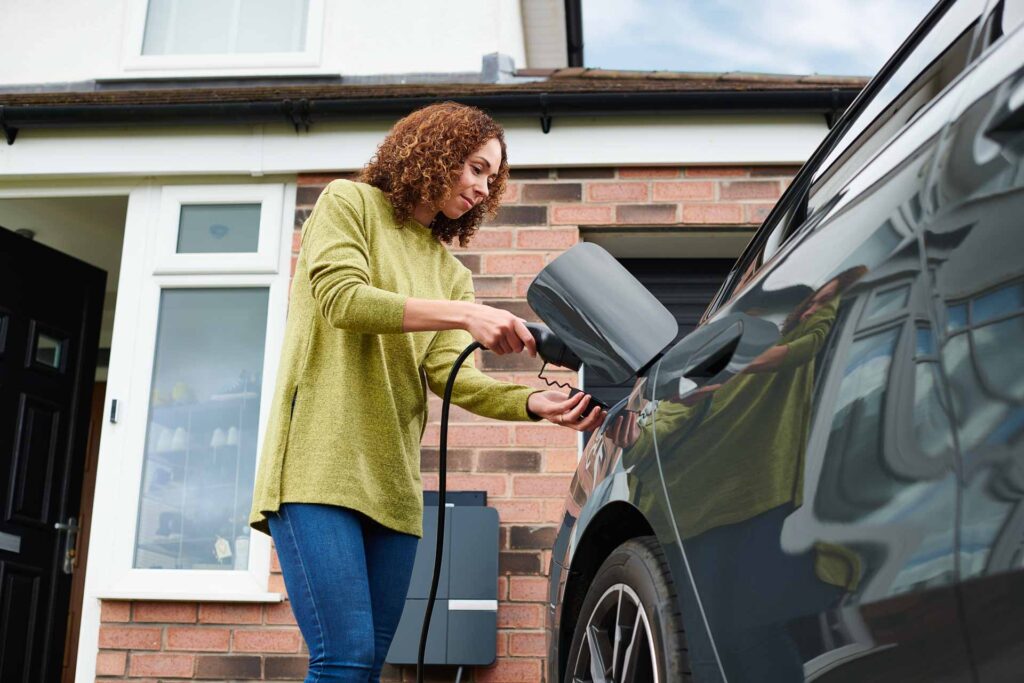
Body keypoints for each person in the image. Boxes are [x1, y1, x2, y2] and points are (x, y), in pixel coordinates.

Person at [248, 102, 606, 683]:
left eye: (491, 178)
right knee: (343, 660)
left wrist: (530, 403)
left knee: (371, 667)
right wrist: (465, 314)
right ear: (433, 152)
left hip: (392, 488)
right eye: (473, 167)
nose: (481, 187)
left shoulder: (448, 270)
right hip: (316, 467)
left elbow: (449, 374)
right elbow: (344, 300)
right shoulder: (349, 204)